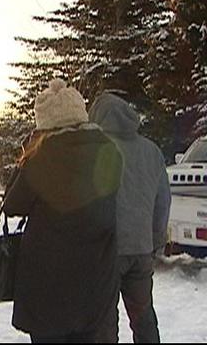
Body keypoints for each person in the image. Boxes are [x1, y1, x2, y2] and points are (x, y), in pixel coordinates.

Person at [2, 78, 123, 343]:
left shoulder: (41, 158)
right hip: (97, 280)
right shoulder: (108, 150)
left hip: (49, 285)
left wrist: (27, 154)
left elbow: (12, 205)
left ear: (44, 123)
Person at [89, 91, 172, 343]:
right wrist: (155, 241)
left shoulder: (96, 149)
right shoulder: (152, 151)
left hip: (106, 253)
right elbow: (162, 202)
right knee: (144, 318)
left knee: (104, 323)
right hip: (141, 250)